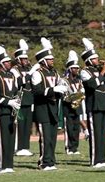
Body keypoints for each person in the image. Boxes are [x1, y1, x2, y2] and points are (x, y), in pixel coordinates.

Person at [31, 37, 67, 170]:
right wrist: (53, 89)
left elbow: (58, 88)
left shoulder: (55, 73)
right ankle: (44, 162)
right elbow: (37, 91)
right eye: (50, 59)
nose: (52, 61)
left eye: (52, 59)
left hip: (53, 108)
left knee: (52, 137)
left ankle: (51, 161)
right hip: (42, 109)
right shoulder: (37, 74)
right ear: (43, 61)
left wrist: (62, 90)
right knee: (45, 138)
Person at [0, 43, 20, 173]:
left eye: (9, 61)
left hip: (11, 112)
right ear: (1, 64)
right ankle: (1, 166)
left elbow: (16, 91)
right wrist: (9, 102)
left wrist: (17, 100)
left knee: (11, 139)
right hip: (1, 111)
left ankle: (9, 165)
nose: (9, 63)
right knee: (2, 139)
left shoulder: (12, 75)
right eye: (6, 62)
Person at [80, 38, 105, 168]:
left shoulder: (99, 71)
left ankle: (102, 159)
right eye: (95, 59)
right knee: (95, 134)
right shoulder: (85, 72)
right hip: (94, 105)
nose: (98, 61)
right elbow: (92, 85)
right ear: (88, 60)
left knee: (103, 134)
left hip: (104, 105)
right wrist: (103, 71)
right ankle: (95, 160)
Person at [11, 39, 34, 156]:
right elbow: (19, 82)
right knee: (19, 123)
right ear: (18, 59)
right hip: (19, 99)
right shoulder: (14, 70)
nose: (26, 60)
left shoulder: (29, 69)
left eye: (26, 58)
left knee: (27, 124)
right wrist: (30, 74)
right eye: (23, 59)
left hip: (29, 99)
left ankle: (25, 147)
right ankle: (18, 147)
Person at [62, 50, 84, 155]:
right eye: (75, 68)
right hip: (68, 107)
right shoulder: (65, 80)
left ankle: (75, 147)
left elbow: (82, 92)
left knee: (76, 129)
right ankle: (69, 147)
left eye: (77, 68)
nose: (77, 70)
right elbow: (64, 95)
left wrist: (80, 96)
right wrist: (72, 97)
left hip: (77, 107)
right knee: (69, 128)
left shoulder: (79, 80)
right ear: (70, 69)